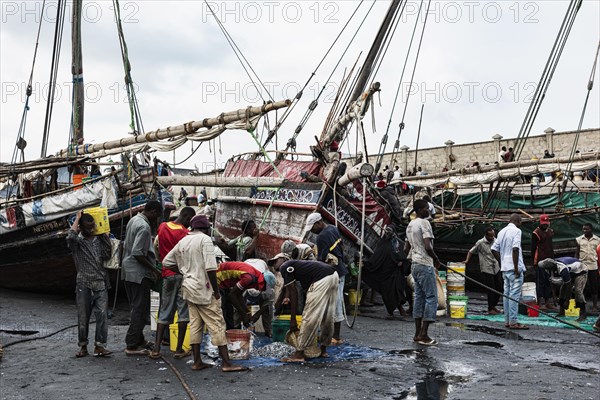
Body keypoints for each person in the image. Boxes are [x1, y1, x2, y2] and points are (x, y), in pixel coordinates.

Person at [162, 215, 246, 372]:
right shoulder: (205, 240)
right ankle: (227, 364)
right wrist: (216, 291)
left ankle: (197, 361)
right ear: (206, 228)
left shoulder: (183, 241)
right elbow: (210, 268)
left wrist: (184, 272)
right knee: (217, 323)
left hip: (188, 287)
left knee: (195, 324)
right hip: (203, 288)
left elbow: (166, 262)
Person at [271, 257, 339, 363]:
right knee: (327, 315)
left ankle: (299, 353)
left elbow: (294, 293)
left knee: (309, 317)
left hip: (322, 278)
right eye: (272, 263)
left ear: (283, 259)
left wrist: (293, 319)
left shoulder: (285, 267)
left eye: (275, 261)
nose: (274, 264)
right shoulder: (300, 266)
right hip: (334, 275)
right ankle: (323, 349)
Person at [149, 206, 195, 360]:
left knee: (164, 310)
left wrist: (162, 261)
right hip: (182, 275)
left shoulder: (162, 227)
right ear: (187, 218)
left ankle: (156, 349)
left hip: (167, 274)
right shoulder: (185, 233)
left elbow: (156, 245)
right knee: (183, 312)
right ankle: (179, 349)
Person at [67, 211, 113, 358]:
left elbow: (107, 254)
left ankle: (100, 346)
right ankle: (83, 346)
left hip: (100, 282)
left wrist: (104, 235)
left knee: (102, 315)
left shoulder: (99, 240)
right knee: (83, 317)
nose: (91, 229)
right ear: (80, 227)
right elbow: (70, 236)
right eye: (88, 227)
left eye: (93, 226)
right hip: (84, 282)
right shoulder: (77, 243)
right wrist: (78, 218)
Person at [122, 200, 163, 355]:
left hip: (128, 271)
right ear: (152, 212)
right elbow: (138, 252)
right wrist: (154, 269)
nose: (157, 219)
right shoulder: (144, 227)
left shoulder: (134, 220)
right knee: (140, 308)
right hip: (138, 273)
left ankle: (139, 340)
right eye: (157, 215)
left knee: (136, 306)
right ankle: (131, 345)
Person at [305, 212, 348, 345]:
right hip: (340, 268)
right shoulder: (333, 228)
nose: (312, 230)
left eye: (313, 227)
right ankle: (334, 334)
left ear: (318, 223)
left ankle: (336, 336)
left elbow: (322, 259)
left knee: (335, 304)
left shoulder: (322, 236)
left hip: (333, 272)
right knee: (336, 302)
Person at [404, 199, 440, 346]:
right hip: (425, 264)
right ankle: (424, 334)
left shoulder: (410, 225)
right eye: (426, 208)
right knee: (432, 297)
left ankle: (417, 333)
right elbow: (427, 245)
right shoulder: (424, 223)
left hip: (415, 264)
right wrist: (436, 259)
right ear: (419, 210)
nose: (428, 211)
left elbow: (406, 248)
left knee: (419, 298)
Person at [362, 225, 409, 319]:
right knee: (387, 294)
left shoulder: (398, 243)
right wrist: (366, 264)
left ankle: (401, 310)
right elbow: (376, 258)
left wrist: (402, 262)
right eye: (386, 231)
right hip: (385, 273)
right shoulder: (382, 244)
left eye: (389, 231)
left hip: (395, 273)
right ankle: (390, 312)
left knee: (397, 291)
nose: (388, 233)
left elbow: (405, 256)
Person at [491, 214, 528, 330]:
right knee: (514, 296)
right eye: (521, 222)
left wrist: (502, 262)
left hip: (505, 268)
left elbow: (493, 249)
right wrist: (516, 268)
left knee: (506, 295)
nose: (521, 224)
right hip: (514, 268)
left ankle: (507, 320)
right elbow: (515, 249)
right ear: (517, 221)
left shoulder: (501, 232)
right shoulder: (517, 231)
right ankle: (513, 321)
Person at [216, 260, 276, 332]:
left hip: (225, 283)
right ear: (264, 283)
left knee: (229, 312)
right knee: (223, 310)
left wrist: (247, 312)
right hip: (218, 277)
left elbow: (239, 294)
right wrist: (243, 314)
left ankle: (229, 336)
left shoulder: (254, 277)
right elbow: (232, 295)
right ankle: (221, 337)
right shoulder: (249, 278)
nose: (263, 290)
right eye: (265, 288)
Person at [463, 227, 502, 315]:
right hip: (486, 267)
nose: (492, 238)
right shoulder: (480, 242)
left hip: (496, 266)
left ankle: (494, 306)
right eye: (490, 237)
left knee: (499, 287)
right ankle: (490, 308)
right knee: (491, 288)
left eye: (493, 236)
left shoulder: (496, 241)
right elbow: (471, 251)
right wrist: (466, 260)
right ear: (486, 236)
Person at [538, 257, 587, 321]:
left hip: (581, 271)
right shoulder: (548, 270)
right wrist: (554, 296)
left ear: (551, 267)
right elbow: (551, 282)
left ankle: (583, 314)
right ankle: (562, 311)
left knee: (578, 291)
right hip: (571, 272)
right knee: (562, 290)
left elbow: (568, 286)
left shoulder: (562, 269)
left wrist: (567, 301)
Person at [531, 214, 556, 310]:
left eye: (546, 223)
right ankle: (540, 302)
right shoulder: (536, 233)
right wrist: (534, 262)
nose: (545, 225)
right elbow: (533, 249)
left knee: (548, 281)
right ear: (540, 223)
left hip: (549, 259)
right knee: (540, 281)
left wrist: (553, 260)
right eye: (543, 223)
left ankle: (547, 301)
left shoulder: (550, 232)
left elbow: (551, 246)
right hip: (540, 260)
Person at [576, 223, 600, 312]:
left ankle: (594, 306)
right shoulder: (579, 239)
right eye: (583, 229)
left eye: (587, 229)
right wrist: (576, 263)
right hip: (582, 266)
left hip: (593, 265)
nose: (585, 231)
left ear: (591, 229)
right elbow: (577, 252)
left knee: (594, 286)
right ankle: (582, 306)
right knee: (582, 287)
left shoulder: (597, 240)